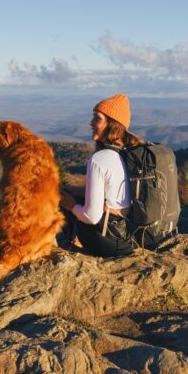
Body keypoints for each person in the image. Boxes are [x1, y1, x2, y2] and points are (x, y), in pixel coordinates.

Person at [59, 93, 142, 257]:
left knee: (67, 201)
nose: (91, 123)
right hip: (125, 234)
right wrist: (77, 191)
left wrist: (70, 205)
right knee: (71, 194)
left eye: (97, 119)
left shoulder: (100, 159)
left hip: (104, 240)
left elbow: (91, 217)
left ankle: (64, 242)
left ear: (112, 124)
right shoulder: (127, 153)